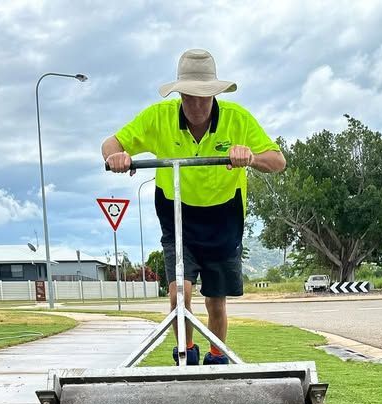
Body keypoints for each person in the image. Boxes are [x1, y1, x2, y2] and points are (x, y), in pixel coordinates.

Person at [102, 48, 286, 365]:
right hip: (178, 216)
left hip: (224, 218)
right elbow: (111, 144)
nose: (197, 105)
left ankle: (217, 358)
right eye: (190, 96)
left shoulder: (238, 120)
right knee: (178, 296)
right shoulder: (157, 118)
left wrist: (251, 158)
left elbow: (278, 161)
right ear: (180, 94)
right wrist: (116, 157)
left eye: (204, 96)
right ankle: (185, 354)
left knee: (216, 302)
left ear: (215, 93)